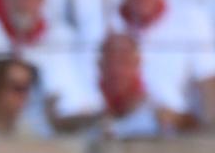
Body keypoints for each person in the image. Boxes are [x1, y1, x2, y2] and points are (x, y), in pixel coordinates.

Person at [105, 0, 215, 127]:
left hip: (178, 131)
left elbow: (209, 84)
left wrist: (204, 129)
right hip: (121, 128)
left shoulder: (191, 18)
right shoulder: (107, 21)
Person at [54, 32, 183, 136]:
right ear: (100, 66)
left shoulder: (160, 119)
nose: (116, 70)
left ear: (137, 63)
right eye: (110, 62)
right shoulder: (88, 120)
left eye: (124, 61)